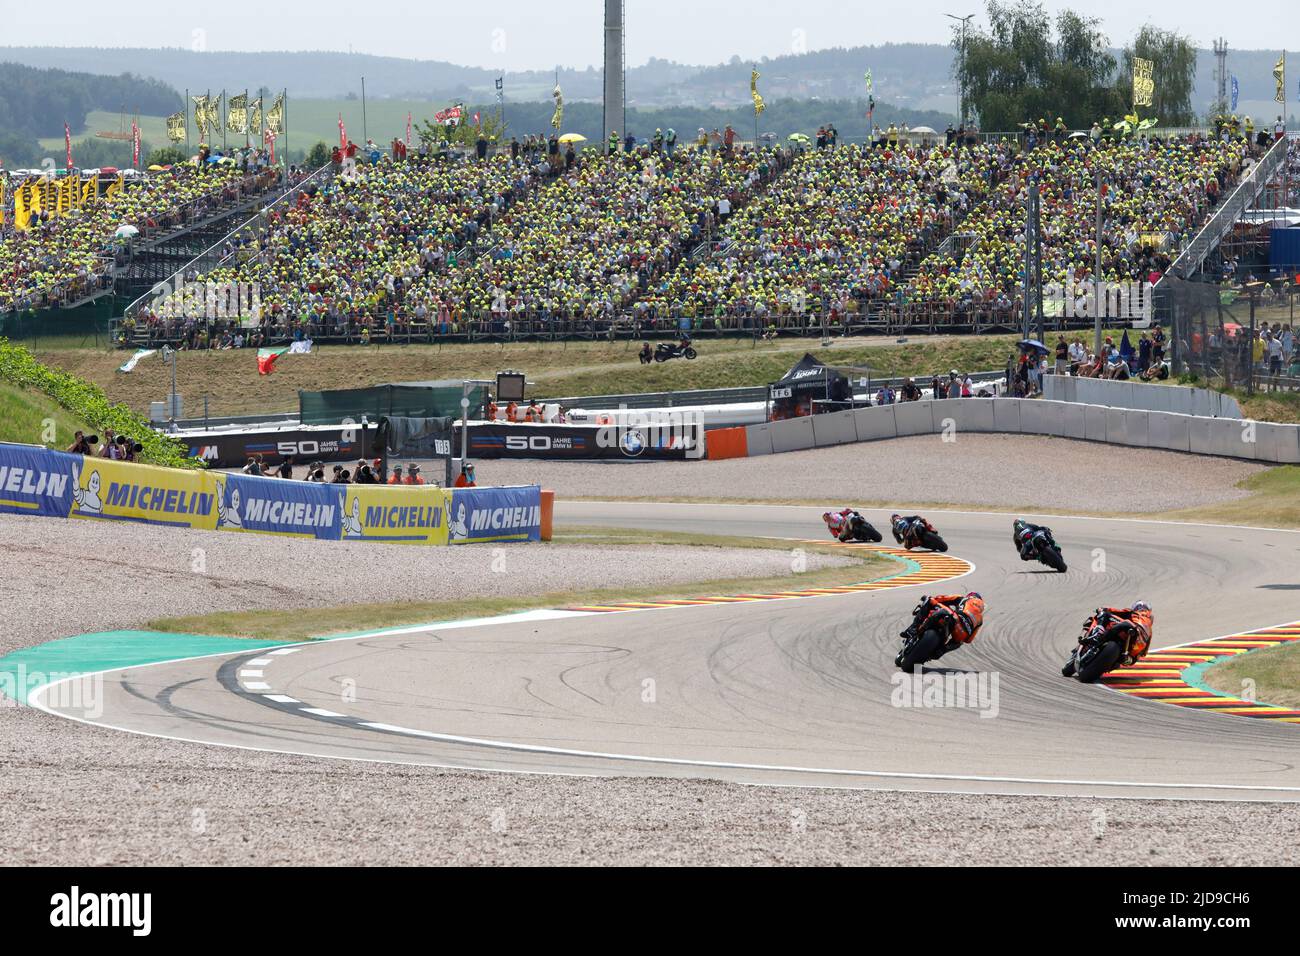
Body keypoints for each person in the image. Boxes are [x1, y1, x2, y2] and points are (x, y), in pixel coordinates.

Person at [1063, 601, 1153, 676]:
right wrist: (1134, 658)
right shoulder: (1149, 628)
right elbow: (1145, 651)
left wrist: (1103, 609)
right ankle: (1115, 660)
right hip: (1132, 648)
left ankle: (1097, 635)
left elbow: (1117, 611)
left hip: (1128, 628)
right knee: (1121, 662)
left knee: (1104, 614)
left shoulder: (1134, 613)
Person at [900, 592, 987, 659]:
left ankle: (913, 629)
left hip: (954, 618)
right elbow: (968, 640)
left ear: (970, 597)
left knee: (928, 599)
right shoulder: (980, 620)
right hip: (961, 634)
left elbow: (942, 598)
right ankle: (941, 651)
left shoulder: (964, 599)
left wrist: (933, 600)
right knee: (958, 642)